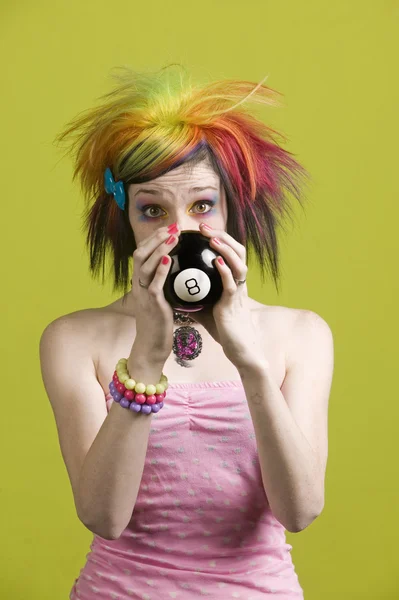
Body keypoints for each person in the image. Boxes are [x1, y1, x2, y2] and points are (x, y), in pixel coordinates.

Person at [39, 64, 334, 599]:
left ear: (231, 210)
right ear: (124, 218)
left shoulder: (300, 335)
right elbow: (104, 517)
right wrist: (146, 362)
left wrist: (251, 363)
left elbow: (301, 510)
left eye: (203, 205)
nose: (181, 232)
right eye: (153, 210)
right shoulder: (73, 340)